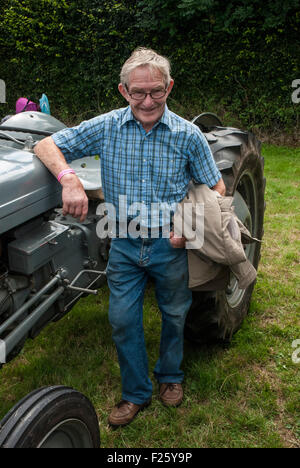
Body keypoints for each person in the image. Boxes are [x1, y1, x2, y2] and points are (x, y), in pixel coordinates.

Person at [34, 47, 226, 427]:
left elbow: (216, 188)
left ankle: (170, 377)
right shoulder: (106, 126)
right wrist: (68, 178)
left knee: (174, 314)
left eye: (156, 91)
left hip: (170, 245)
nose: (148, 101)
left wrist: (185, 226)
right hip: (121, 241)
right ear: (123, 91)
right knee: (122, 319)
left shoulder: (188, 135)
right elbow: (45, 145)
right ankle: (136, 393)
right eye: (138, 92)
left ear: (169, 87)